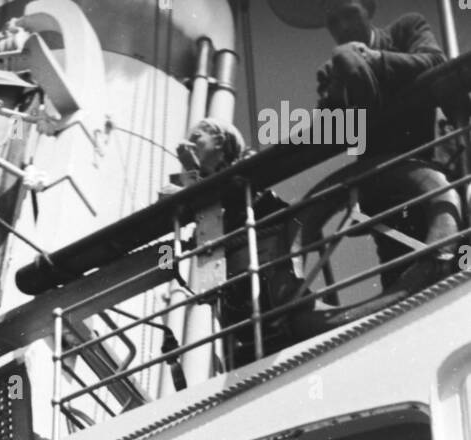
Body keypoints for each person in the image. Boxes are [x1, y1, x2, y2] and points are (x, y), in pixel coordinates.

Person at [314, 1, 462, 292]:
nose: (342, 27)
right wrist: (339, 86)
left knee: (458, 268)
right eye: (333, 22)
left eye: (349, 14)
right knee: (399, 287)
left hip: (440, 176)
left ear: (368, 9)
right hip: (389, 202)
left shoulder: (407, 28)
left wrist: (374, 59)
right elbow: (332, 130)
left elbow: (435, 61)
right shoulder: (330, 71)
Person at [168, 119, 318, 365]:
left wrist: (199, 175)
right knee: (241, 328)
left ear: (219, 142)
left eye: (198, 139)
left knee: (275, 310)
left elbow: (239, 188)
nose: (191, 145)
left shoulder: (247, 163)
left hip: (264, 260)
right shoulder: (201, 197)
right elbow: (169, 247)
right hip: (236, 281)